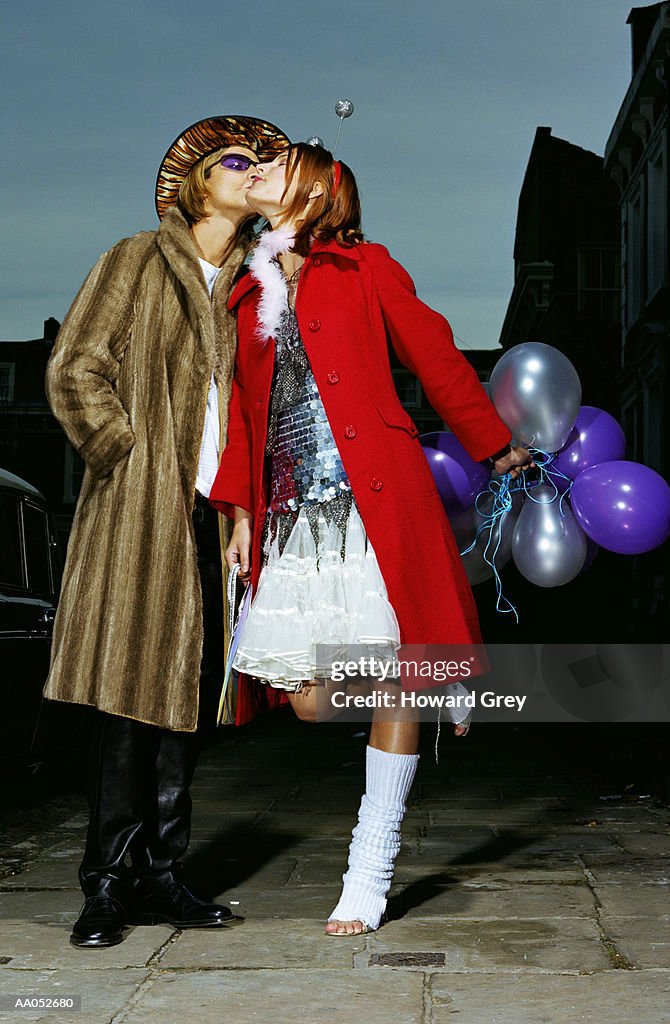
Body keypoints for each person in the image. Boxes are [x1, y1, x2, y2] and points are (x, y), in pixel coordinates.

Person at [209, 142, 533, 936]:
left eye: (277, 165)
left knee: (390, 672)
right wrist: (240, 513)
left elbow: (436, 354)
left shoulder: (367, 267)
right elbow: (248, 415)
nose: (260, 171)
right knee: (312, 703)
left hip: (375, 495)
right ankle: (428, 673)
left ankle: (371, 861)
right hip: (292, 510)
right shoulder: (245, 294)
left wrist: (493, 441)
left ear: (319, 191)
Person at [43, 115, 289, 948]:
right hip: (136, 506)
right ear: (193, 181)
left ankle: (162, 874)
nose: (252, 169)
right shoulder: (134, 259)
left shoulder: (258, 284)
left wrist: (242, 510)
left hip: (212, 518)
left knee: (186, 697)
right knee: (127, 697)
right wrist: (125, 451)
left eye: (263, 165)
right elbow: (74, 366)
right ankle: (106, 884)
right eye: (236, 160)